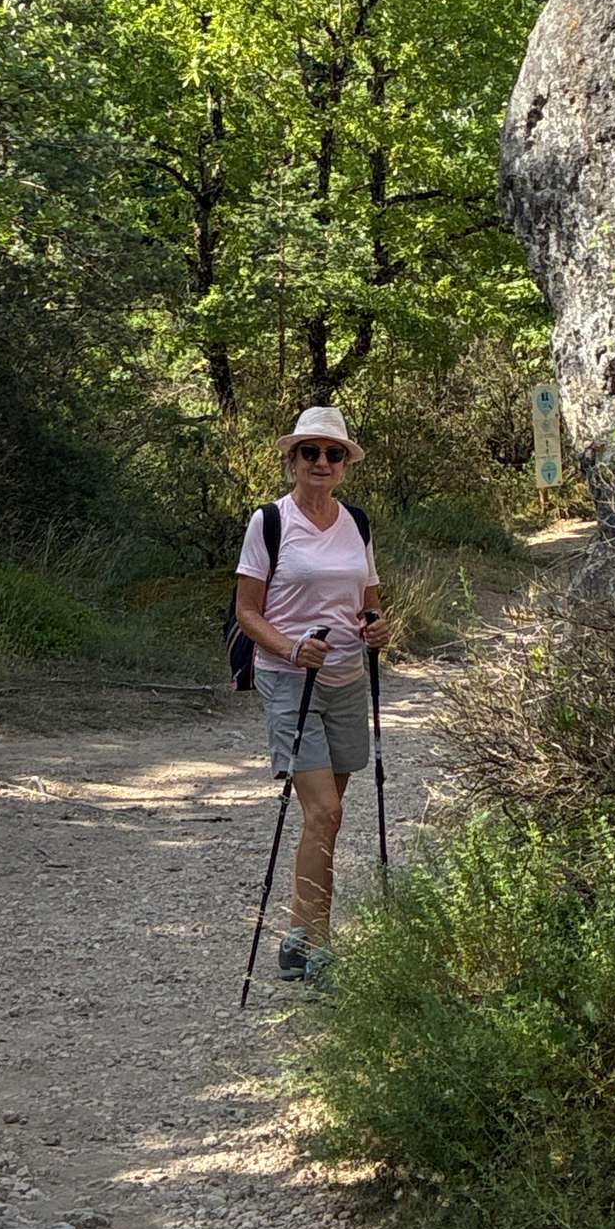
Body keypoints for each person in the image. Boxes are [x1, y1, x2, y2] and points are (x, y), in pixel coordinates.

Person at [232, 405, 393, 984]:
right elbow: (247, 612)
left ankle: (298, 938)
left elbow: (368, 599)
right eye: (310, 452)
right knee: (324, 810)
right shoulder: (269, 522)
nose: (321, 462)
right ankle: (320, 946)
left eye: (333, 453)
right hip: (288, 681)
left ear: (345, 464)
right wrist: (292, 647)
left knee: (327, 817)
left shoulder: (357, 523)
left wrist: (377, 626)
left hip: (347, 680)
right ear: (293, 459)